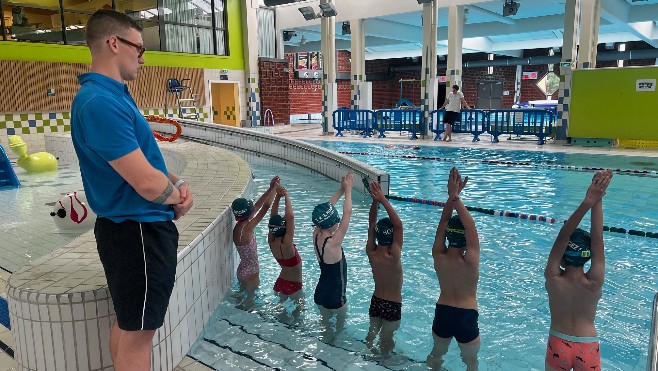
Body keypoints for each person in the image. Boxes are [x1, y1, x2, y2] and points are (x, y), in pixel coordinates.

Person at [70, 9, 193, 371]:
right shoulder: (101, 103)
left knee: (130, 325)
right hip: (138, 232)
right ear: (113, 43)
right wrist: (176, 199)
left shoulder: (112, 96)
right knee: (140, 335)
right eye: (138, 49)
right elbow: (144, 181)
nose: (142, 58)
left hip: (130, 230)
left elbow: (143, 162)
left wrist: (177, 184)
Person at [544, 170, 612, 371]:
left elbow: (563, 237)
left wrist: (588, 201)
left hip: (558, 343)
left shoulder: (553, 277)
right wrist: (596, 200)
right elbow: (597, 238)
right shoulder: (593, 282)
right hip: (587, 346)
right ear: (589, 255)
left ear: (562, 256)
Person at [427, 167, 480, 371]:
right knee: (471, 364)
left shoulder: (438, 256)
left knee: (436, 356)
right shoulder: (470, 261)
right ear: (467, 240)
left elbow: (444, 221)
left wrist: (452, 198)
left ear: (448, 236)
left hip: (443, 312)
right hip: (466, 316)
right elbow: (471, 227)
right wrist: (455, 197)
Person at [312, 170, 353, 341]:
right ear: (334, 224)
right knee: (339, 334)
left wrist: (341, 190)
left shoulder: (316, 233)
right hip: (336, 298)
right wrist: (349, 189)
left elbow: (327, 208)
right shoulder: (334, 242)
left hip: (320, 294)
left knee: (325, 328)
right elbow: (347, 213)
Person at [364, 181, 403, 358]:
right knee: (387, 340)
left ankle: (368, 356)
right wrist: (383, 200)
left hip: (376, 301)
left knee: (372, 334)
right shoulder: (393, 255)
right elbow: (399, 225)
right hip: (392, 305)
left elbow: (372, 222)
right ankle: (385, 361)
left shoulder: (372, 252)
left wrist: (375, 201)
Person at [231, 176, 279, 308]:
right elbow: (265, 207)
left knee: (240, 299)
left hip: (242, 270)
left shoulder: (239, 227)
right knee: (250, 304)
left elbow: (257, 206)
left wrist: (270, 189)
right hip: (251, 273)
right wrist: (275, 189)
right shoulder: (248, 228)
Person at [267, 185, 304, 318]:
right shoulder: (287, 245)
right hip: (294, 286)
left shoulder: (271, 242)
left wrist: (277, 197)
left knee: (281, 316)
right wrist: (286, 195)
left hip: (280, 283)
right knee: (298, 318)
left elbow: (273, 218)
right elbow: (291, 217)